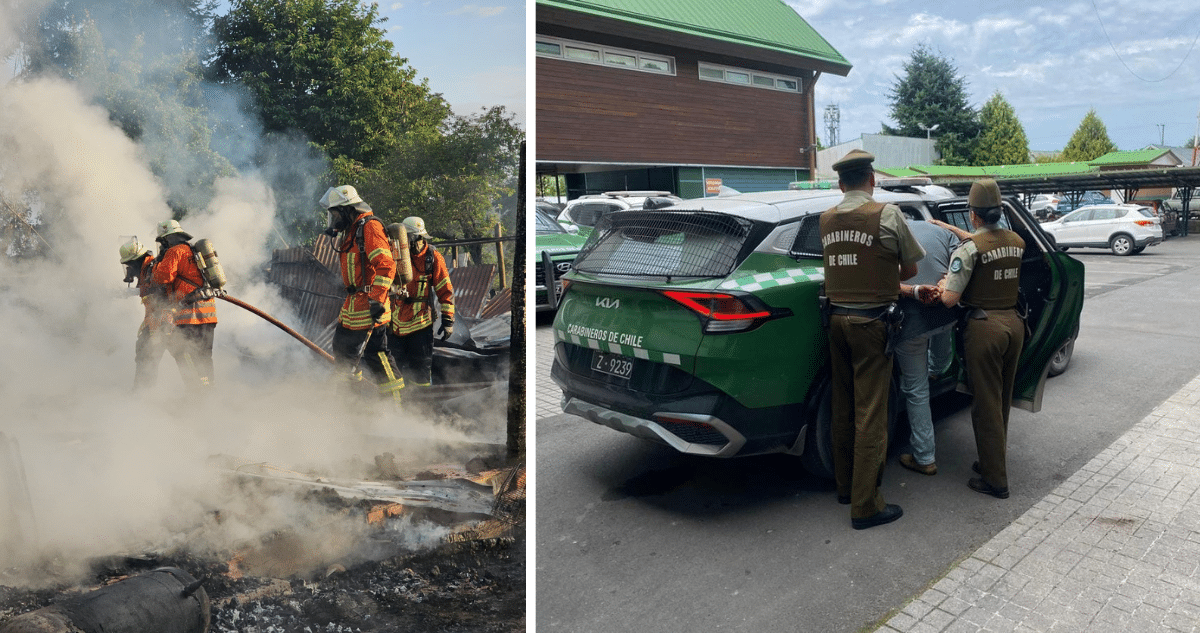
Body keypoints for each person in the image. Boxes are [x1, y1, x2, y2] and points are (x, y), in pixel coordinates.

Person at [820, 149, 925, 530]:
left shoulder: (826, 219)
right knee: (871, 412)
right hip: (872, 322)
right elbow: (911, 268)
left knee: (843, 406)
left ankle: (846, 486)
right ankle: (865, 506)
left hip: (835, 320)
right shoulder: (887, 214)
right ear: (872, 180)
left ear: (840, 183)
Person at [938, 179, 1025, 499]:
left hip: (984, 328)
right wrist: (951, 230)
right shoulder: (1016, 240)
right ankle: (993, 459)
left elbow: (949, 299)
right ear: (997, 211)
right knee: (1000, 401)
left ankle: (995, 480)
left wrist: (947, 280)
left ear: (973, 215)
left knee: (984, 404)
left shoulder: (969, 250)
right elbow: (987, 243)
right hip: (1014, 325)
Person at [321, 185, 405, 402]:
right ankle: (353, 404)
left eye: (336, 213)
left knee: (377, 356)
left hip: (369, 305)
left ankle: (396, 406)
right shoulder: (352, 229)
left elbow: (386, 264)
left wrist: (377, 299)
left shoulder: (370, 227)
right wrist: (335, 229)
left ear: (349, 210)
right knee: (344, 353)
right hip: (353, 306)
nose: (334, 218)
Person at [894, 219, 960, 476]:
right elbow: (966, 257)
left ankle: (924, 457)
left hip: (910, 325)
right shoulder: (942, 232)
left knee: (916, 390)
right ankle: (936, 368)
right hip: (945, 315)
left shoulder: (890, 232)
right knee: (941, 353)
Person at [387, 216, 455, 388]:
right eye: (409, 238)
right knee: (394, 372)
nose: (412, 242)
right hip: (395, 325)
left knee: (421, 373)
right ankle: (397, 407)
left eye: (416, 238)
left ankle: (422, 409)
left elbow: (445, 289)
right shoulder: (396, 256)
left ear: (421, 237)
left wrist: (448, 320)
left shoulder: (432, 258)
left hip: (421, 325)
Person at [152, 220, 218, 387]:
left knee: (184, 354)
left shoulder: (175, 252)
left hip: (189, 315)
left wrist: (156, 267)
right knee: (204, 356)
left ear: (166, 239)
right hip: (208, 314)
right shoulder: (194, 251)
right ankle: (208, 388)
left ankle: (194, 393)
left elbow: (163, 277)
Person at [119, 238, 182, 390]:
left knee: (183, 356)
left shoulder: (153, 268)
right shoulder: (146, 270)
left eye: (129, 265)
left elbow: (161, 295)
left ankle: (199, 393)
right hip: (156, 322)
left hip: (166, 322)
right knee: (145, 355)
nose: (129, 269)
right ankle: (143, 394)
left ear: (136, 261)